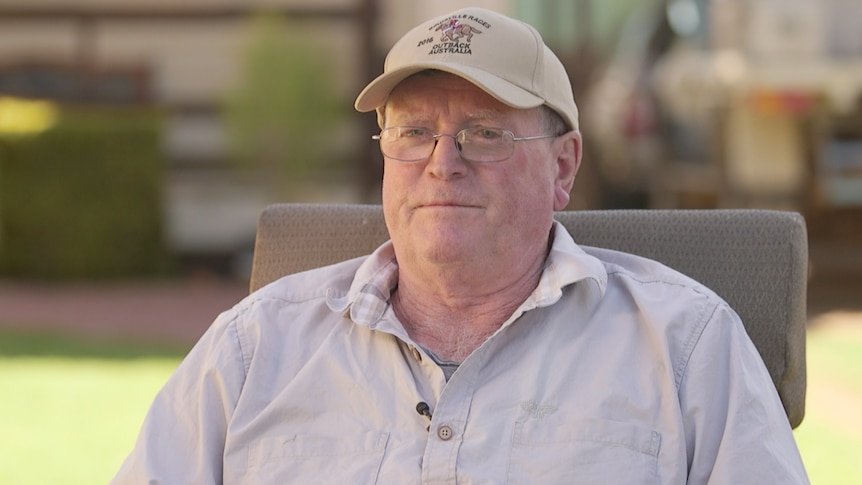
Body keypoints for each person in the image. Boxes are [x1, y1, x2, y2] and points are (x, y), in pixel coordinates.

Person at [112, 7, 809, 484]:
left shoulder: (686, 346)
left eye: (485, 132)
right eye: (414, 132)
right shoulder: (252, 351)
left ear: (563, 166)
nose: (443, 163)